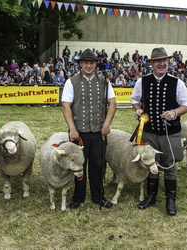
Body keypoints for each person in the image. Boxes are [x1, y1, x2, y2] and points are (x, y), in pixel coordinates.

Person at [130, 47, 187, 216]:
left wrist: (174, 112)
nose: (162, 63)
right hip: (149, 132)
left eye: (164, 60)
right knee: (152, 163)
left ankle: (170, 199)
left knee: (170, 164)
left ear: (168, 62)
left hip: (169, 132)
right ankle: (151, 196)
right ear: (152, 64)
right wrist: (138, 110)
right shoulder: (141, 81)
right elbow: (135, 101)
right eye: (158, 61)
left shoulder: (177, 82)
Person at [62, 48, 117, 209]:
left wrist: (106, 125)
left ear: (95, 64)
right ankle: (78, 197)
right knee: (79, 165)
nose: (89, 65)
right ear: (80, 64)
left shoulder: (104, 82)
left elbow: (112, 104)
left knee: (98, 165)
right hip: (79, 132)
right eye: (86, 62)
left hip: (99, 132)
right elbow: (66, 106)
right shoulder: (71, 82)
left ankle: (98, 196)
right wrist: (72, 129)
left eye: (91, 62)